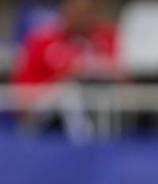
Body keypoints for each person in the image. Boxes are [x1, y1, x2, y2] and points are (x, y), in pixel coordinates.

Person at [8, 0, 121, 133]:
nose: (83, 18)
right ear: (65, 10)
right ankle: (83, 139)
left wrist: (92, 70)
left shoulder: (106, 37)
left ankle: (105, 138)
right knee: (68, 92)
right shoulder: (41, 41)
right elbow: (21, 91)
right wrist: (66, 76)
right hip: (43, 110)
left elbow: (121, 79)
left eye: (88, 12)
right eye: (78, 12)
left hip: (95, 106)